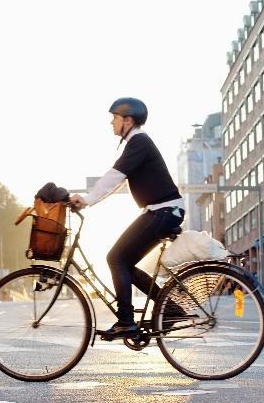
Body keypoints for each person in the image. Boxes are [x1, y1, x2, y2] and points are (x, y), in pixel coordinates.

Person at [70, 97, 186, 338]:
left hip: (164, 210)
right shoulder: (136, 143)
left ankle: (126, 320)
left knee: (115, 258)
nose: (111, 123)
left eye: (114, 118)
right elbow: (117, 178)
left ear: (128, 120)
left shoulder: (139, 141)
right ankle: (171, 308)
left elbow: (115, 175)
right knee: (124, 262)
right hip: (161, 211)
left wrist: (88, 199)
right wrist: (91, 199)